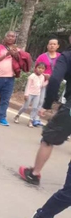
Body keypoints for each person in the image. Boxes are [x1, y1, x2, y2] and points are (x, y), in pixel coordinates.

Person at [19, 41, 71, 186]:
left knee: (48, 138)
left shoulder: (66, 57)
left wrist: (47, 104)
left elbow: (55, 79)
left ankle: (34, 174)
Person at [35, 38, 61, 108]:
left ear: (58, 46)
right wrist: (43, 75)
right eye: (50, 44)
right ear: (47, 46)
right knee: (39, 100)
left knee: (48, 100)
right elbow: (36, 69)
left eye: (54, 44)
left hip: (53, 83)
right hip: (42, 82)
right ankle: (34, 117)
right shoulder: (42, 57)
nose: (52, 46)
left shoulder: (61, 57)